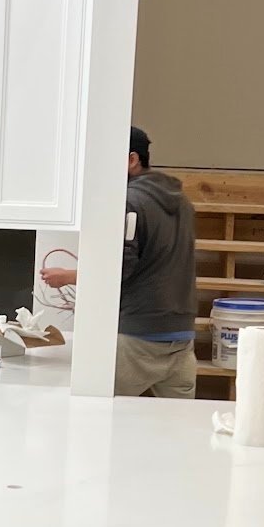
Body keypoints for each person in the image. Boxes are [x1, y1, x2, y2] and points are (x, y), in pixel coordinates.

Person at [39, 126, 199, 398]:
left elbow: (119, 268)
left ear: (132, 160)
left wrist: (68, 276)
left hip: (138, 339)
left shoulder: (128, 202)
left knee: (94, 420)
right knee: (175, 431)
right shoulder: (182, 202)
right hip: (181, 337)